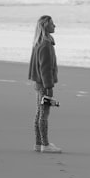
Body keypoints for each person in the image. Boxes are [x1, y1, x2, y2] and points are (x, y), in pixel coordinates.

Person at [28, 15, 61, 153]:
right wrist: (49, 87)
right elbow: (45, 68)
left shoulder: (39, 42)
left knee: (39, 113)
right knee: (43, 114)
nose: (55, 26)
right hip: (44, 84)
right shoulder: (45, 44)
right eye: (52, 24)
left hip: (39, 83)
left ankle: (38, 143)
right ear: (46, 26)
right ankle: (45, 145)